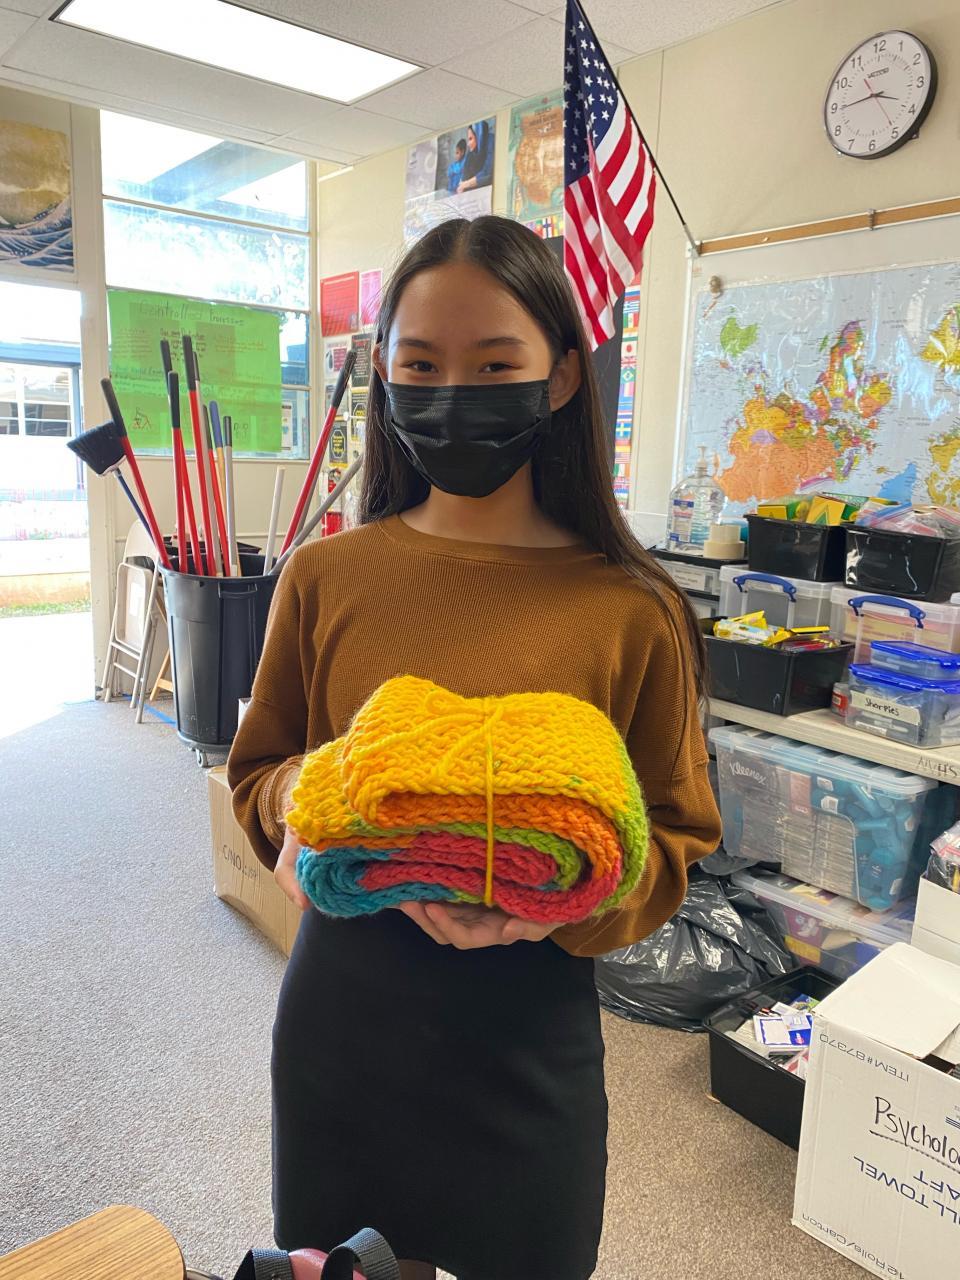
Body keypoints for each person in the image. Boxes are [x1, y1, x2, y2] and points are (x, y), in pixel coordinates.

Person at [228, 215, 721, 1280]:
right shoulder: (327, 576)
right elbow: (257, 773)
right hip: (342, 1029)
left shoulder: (632, 610)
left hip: (525, 1037)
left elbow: (678, 834)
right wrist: (317, 791)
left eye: (495, 365)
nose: (453, 393)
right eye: (420, 365)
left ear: (561, 376)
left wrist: (560, 903)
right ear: (385, 375)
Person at [456, 122, 492, 192]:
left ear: (479, 136)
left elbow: (487, 173)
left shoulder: (491, 143)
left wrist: (466, 184)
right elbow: (463, 180)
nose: (468, 144)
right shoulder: (471, 154)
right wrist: (462, 185)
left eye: (470, 139)